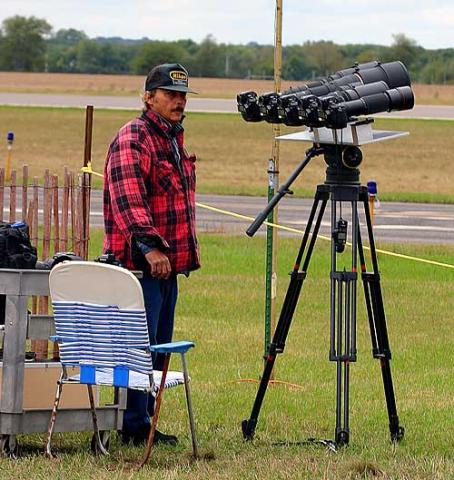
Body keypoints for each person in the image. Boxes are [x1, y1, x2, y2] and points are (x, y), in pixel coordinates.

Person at [103, 63, 200, 445]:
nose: (178, 101)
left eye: (182, 95)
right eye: (170, 94)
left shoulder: (172, 139)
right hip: (139, 267)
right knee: (138, 349)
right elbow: (128, 198)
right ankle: (132, 425)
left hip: (166, 267)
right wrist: (150, 247)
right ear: (148, 97)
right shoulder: (134, 137)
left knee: (156, 348)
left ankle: (141, 423)